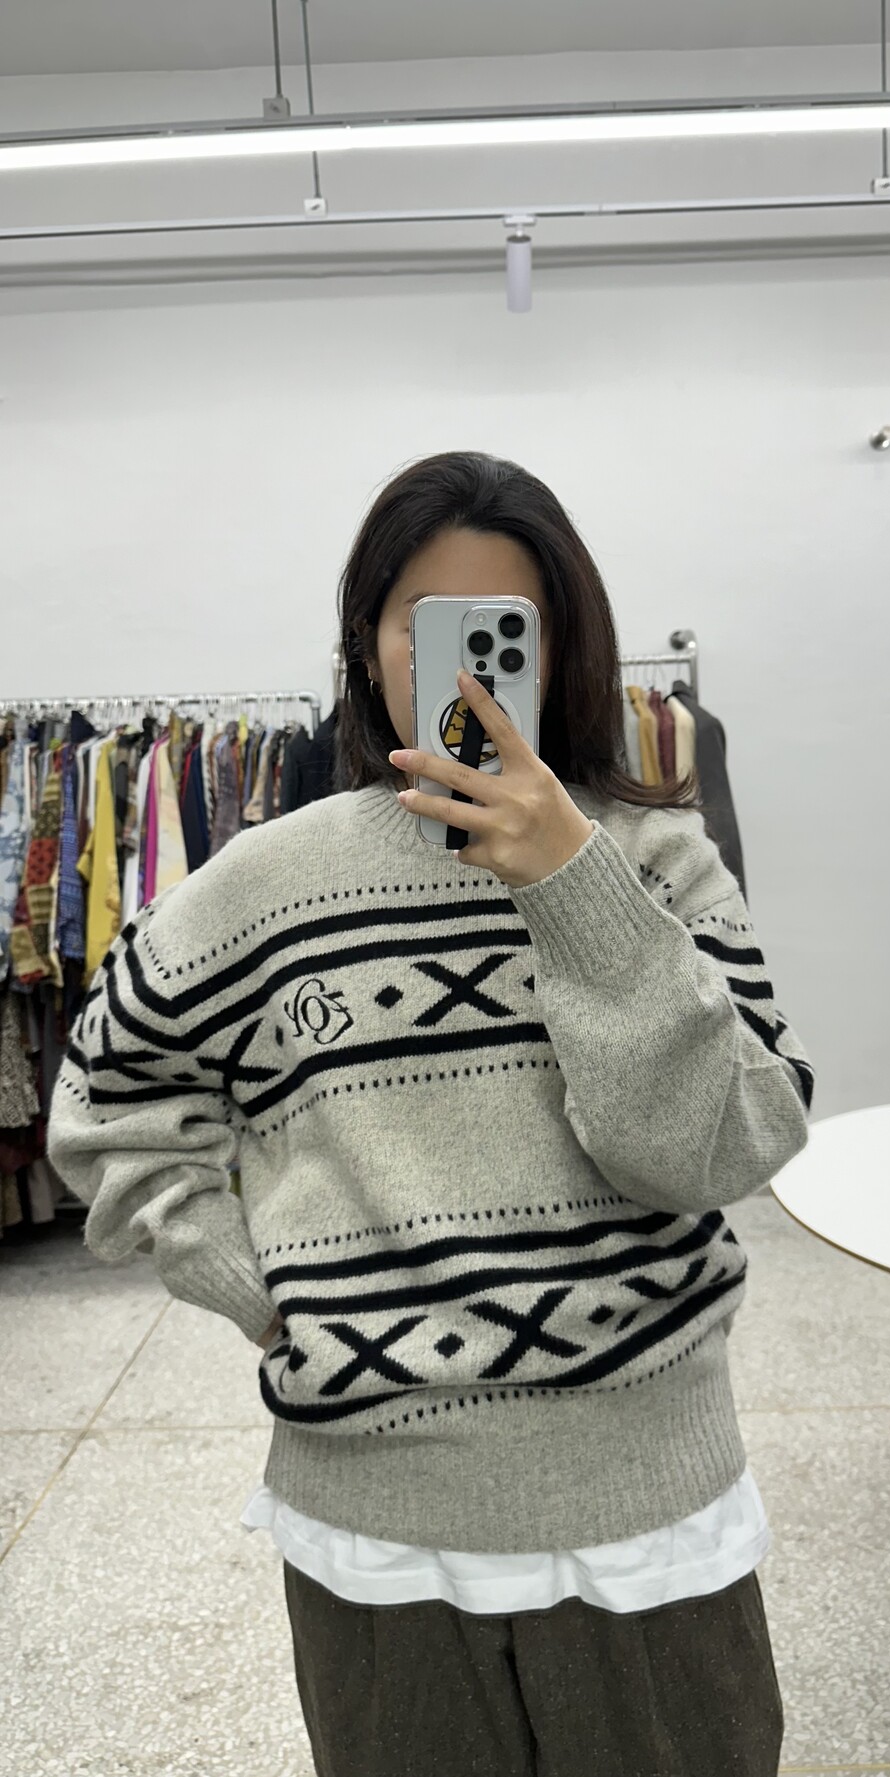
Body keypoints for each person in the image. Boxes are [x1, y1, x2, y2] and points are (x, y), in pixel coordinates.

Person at [48, 451, 813, 1777]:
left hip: (648, 1509)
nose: (464, 666)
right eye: (426, 624)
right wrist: (259, 1286)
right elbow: (111, 1097)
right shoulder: (263, 887)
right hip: (375, 1528)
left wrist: (573, 882)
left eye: (509, 626)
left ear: (564, 647)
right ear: (368, 645)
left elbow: (723, 1146)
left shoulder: (656, 861)